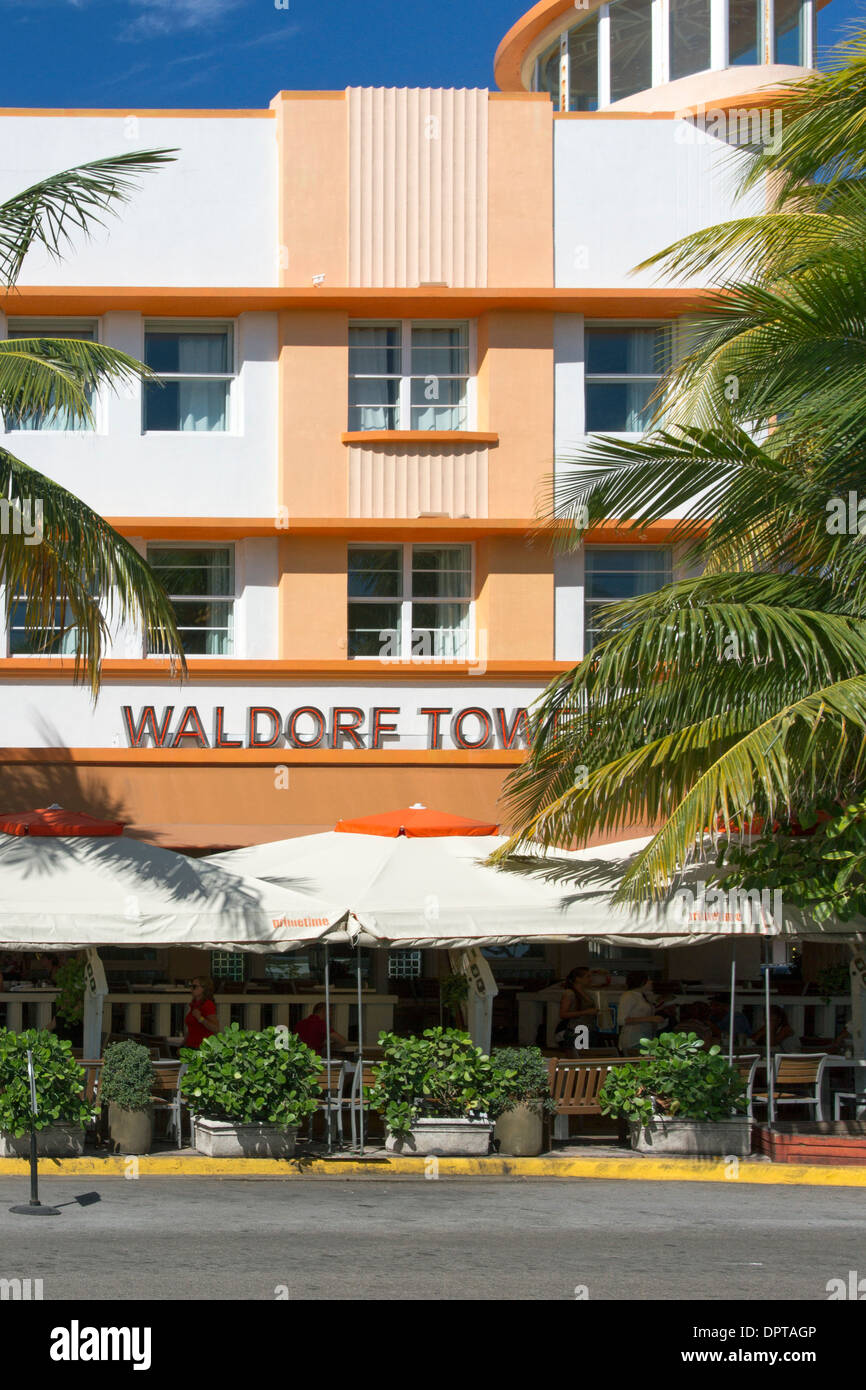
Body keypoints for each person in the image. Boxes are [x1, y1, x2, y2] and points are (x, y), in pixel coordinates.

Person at [555, 966, 612, 1049]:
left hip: (589, 1029)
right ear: (578, 979)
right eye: (587, 976)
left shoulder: (586, 992)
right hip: (577, 1030)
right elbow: (563, 1014)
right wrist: (586, 1012)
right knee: (579, 1057)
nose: (590, 979)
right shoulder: (569, 993)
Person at [617, 973, 666, 1055]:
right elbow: (621, 1020)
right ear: (642, 982)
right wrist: (650, 1019)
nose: (651, 982)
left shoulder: (642, 996)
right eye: (648, 980)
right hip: (634, 1040)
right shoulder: (629, 996)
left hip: (645, 1038)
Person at [183, 977, 220, 1049]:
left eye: (194, 987)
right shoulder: (194, 1005)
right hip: (191, 1046)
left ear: (204, 989)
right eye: (191, 986)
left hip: (202, 1047)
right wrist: (183, 1044)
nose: (191, 989)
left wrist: (200, 1018)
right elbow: (191, 1029)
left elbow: (216, 1028)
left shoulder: (207, 1004)